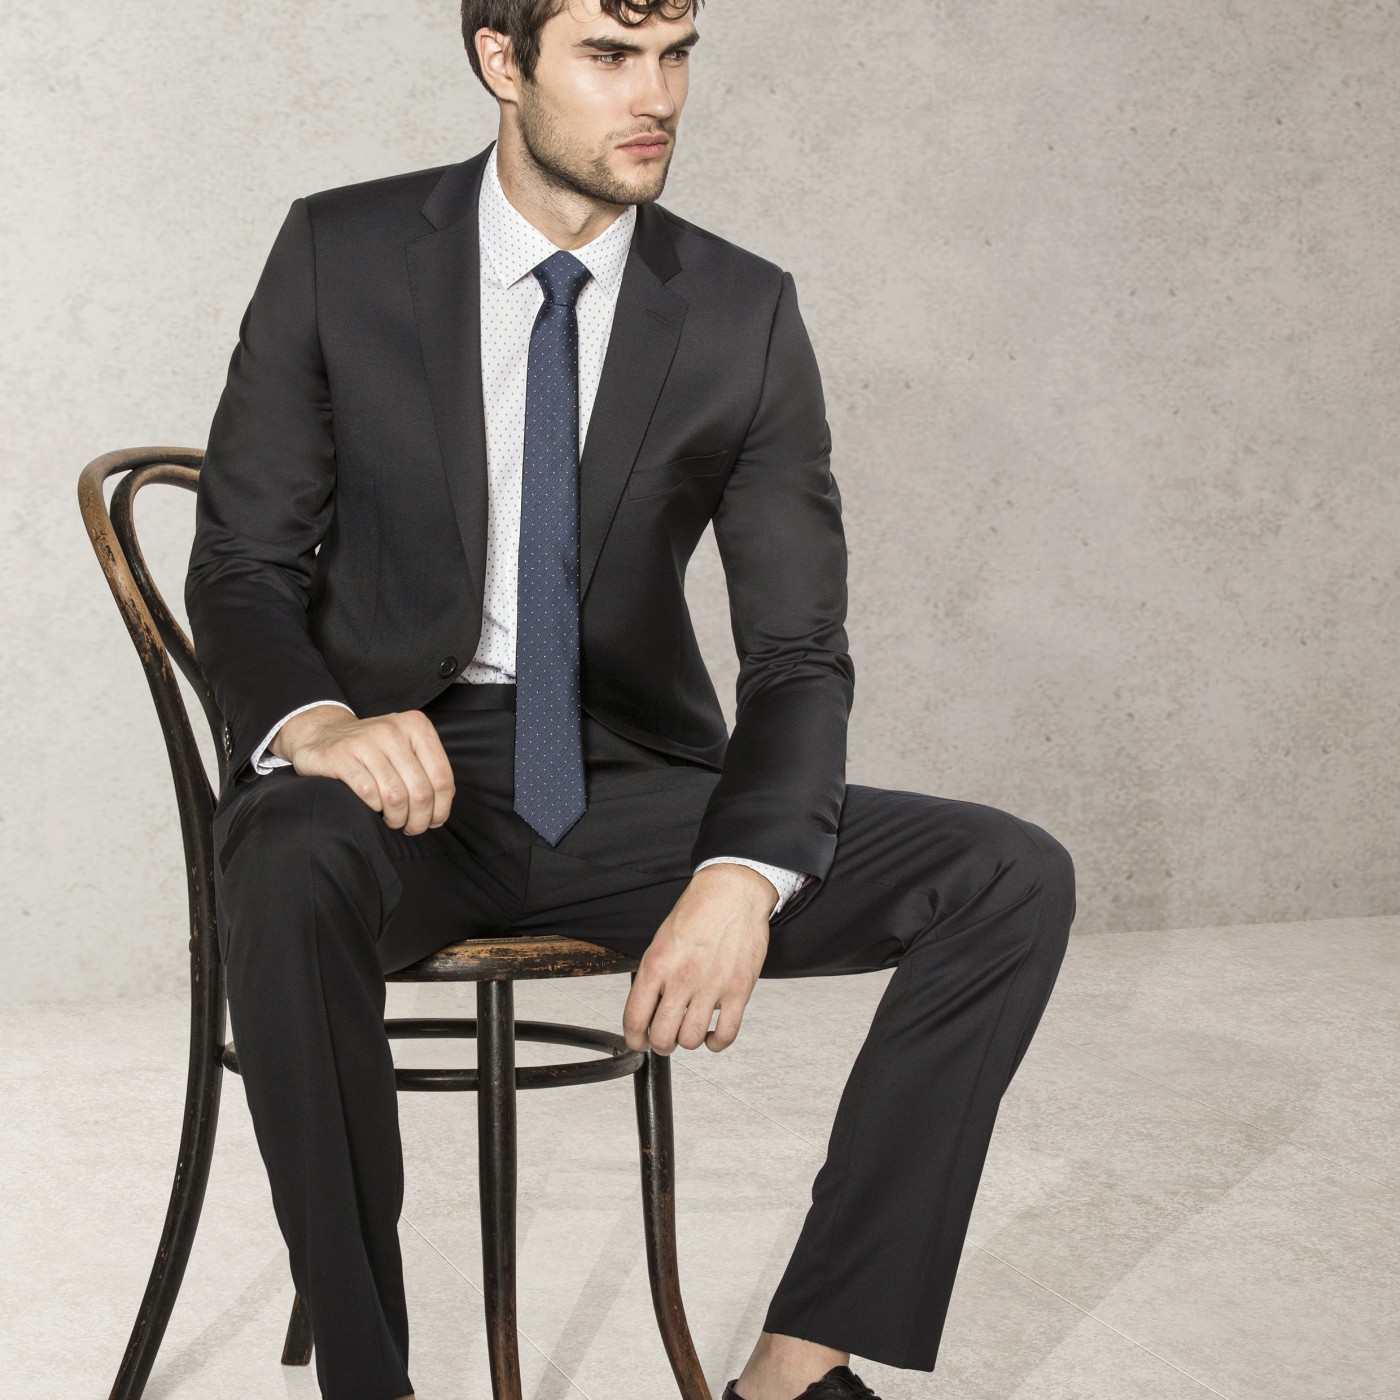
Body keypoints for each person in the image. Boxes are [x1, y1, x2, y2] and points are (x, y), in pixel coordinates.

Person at [185, 2, 1076, 1397]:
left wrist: (742, 871)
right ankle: (366, 1379)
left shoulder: (738, 308)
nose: (655, 95)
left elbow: (797, 650)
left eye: (675, 56)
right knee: (285, 853)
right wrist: (322, 727)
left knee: (1009, 875)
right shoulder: (337, 253)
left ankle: (798, 1369)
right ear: (502, 61)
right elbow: (243, 564)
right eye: (608, 55)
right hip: (399, 784)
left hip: (624, 787)